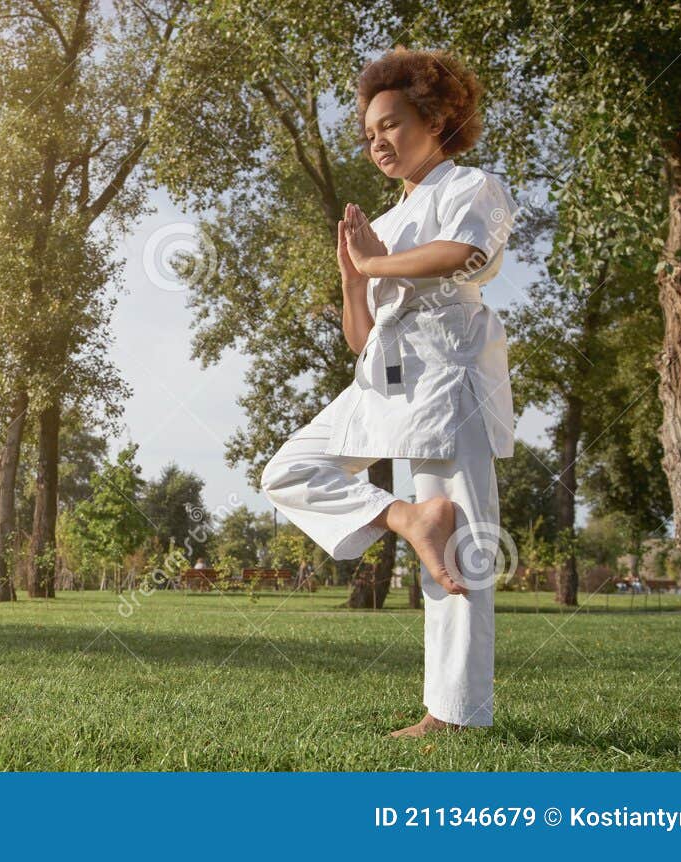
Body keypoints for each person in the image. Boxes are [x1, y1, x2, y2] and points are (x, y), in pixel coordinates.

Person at [259, 48, 518, 738]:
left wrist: (373, 260)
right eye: (369, 134)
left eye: (392, 125)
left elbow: (466, 256)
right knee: (289, 469)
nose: (378, 142)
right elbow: (361, 335)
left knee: (463, 549)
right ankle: (407, 517)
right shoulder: (384, 218)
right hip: (383, 377)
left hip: (449, 375)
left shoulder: (470, 186)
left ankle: (454, 716)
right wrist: (353, 275)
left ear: (436, 118)